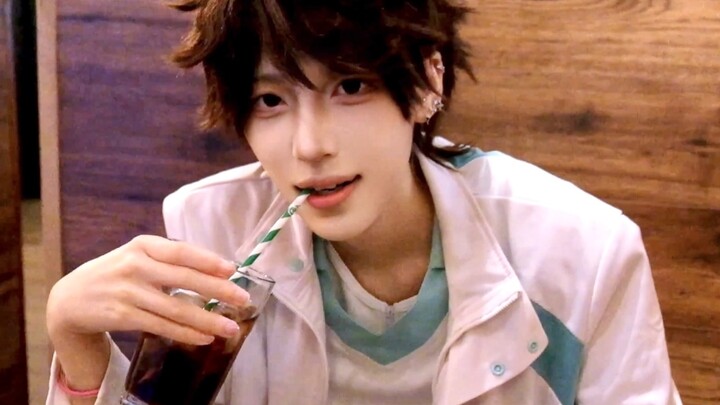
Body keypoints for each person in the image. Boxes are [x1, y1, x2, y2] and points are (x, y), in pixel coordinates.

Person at [45, 0, 682, 404]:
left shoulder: (582, 252)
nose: (310, 146)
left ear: (427, 80)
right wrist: (76, 346)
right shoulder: (212, 230)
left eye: (350, 86)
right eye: (271, 100)